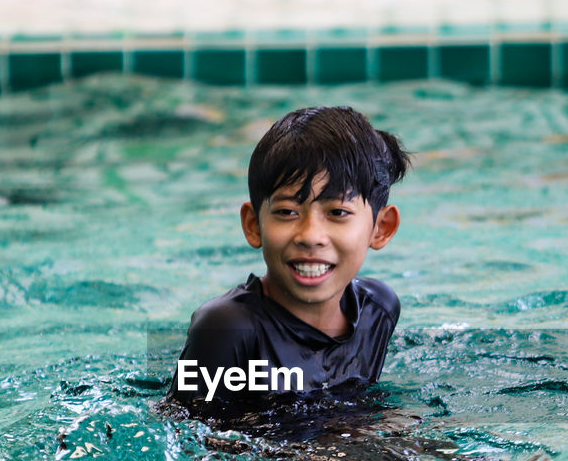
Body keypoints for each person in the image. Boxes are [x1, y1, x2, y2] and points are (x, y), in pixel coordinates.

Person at [166, 106, 411, 417]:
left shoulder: (377, 312)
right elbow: (191, 445)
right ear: (254, 225)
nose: (311, 236)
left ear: (381, 228)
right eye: (287, 212)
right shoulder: (227, 329)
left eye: (337, 213)